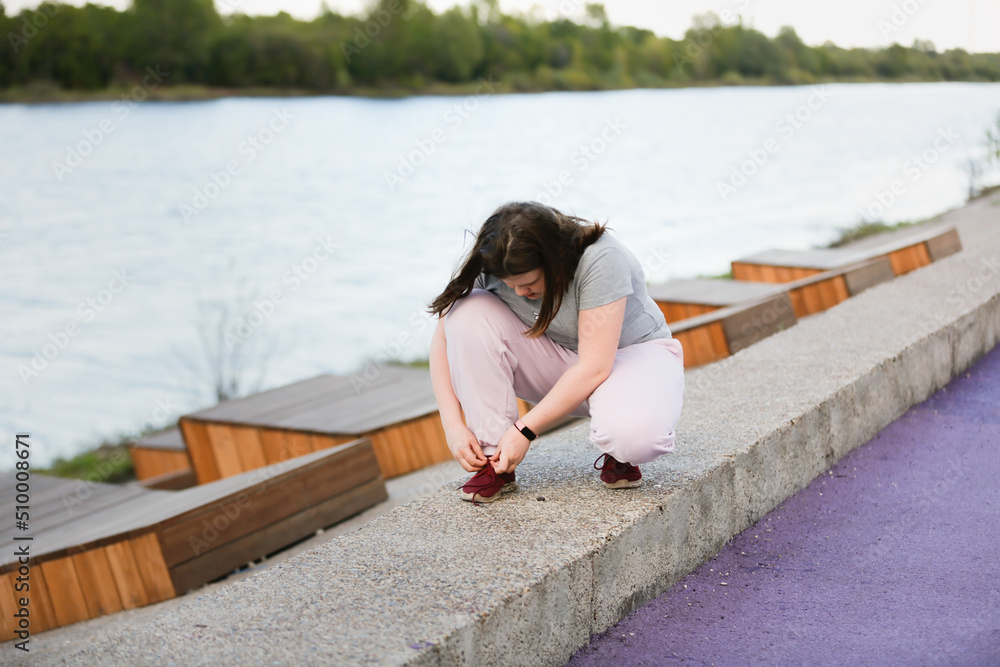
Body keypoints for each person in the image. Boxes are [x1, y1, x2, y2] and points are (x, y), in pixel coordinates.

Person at [426, 201, 685, 503]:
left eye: (529, 283)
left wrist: (524, 430)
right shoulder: (498, 263)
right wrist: (453, 427)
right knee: (465, 311)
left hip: (631, 357)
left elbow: (595, 367)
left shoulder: (600, 258)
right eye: (510, 285)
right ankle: (496, 459)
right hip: (562, 359)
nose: (519, 292)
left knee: (636, 439)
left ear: (554, 257)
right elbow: (443, 340)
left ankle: (620, 449)